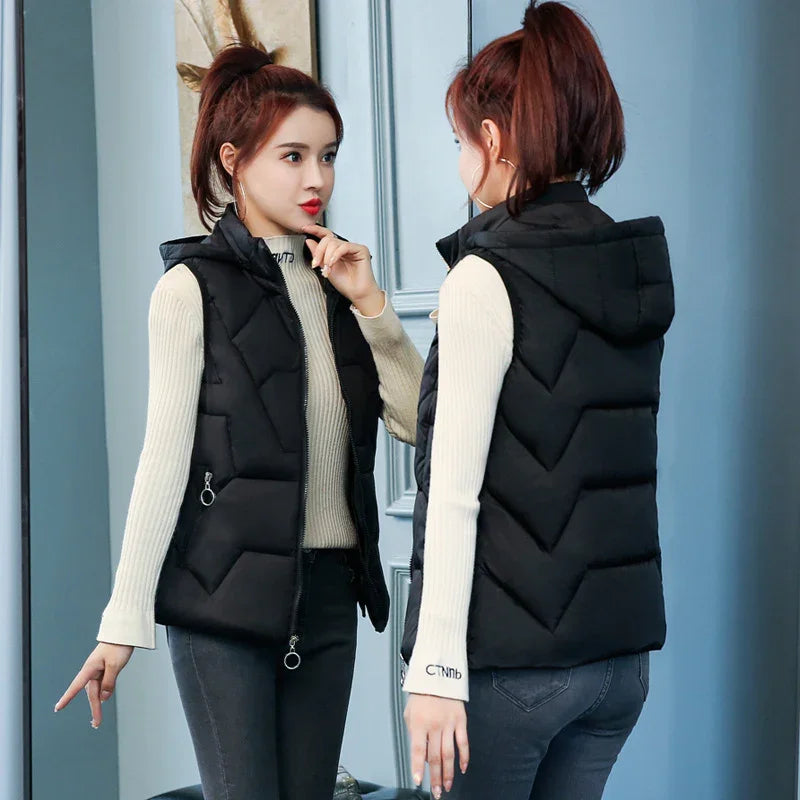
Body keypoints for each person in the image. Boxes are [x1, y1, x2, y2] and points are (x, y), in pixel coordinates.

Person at [56, 44, 423, 800]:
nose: (316, 177)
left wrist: (375, 308)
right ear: (235, 160)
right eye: (293, 155)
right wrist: (121, 624)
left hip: (326, 597)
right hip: (223, 607)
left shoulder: (339, 284)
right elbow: (163, 461)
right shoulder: (191, 289)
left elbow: (419, 423)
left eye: (328, 155)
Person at [401, 3, 674, 798]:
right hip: (618, 665)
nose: (461, 163)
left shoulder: (487, 276)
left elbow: (452, 493)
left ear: (495, 140)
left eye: (461, 141)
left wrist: (434, 670)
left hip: (510, 672)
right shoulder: (628, 267)